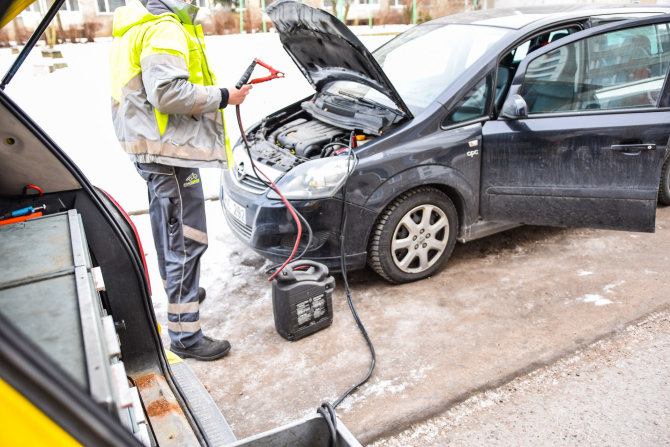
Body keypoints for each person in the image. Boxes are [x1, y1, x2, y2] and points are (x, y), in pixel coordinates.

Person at [109, 0, 252, 360]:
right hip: (168, 152)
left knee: (166, 227)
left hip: (145, 147)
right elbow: (169, 93)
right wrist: (224, 96)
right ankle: (186, 336)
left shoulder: (132, 24)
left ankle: (177, 294)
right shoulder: (164, 27)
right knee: (187, 239)